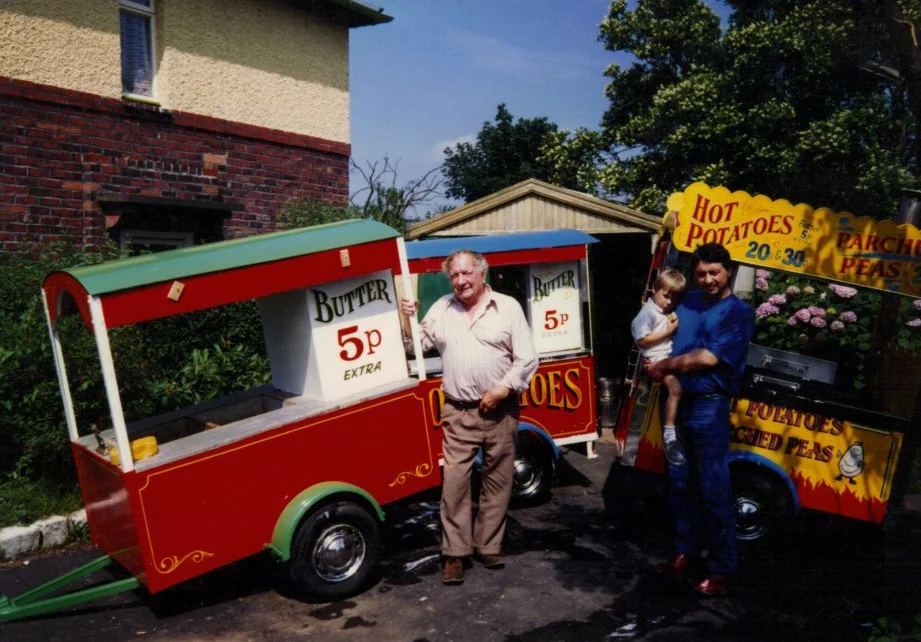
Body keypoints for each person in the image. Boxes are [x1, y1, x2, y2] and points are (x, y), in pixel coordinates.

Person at [400, 249, 538, 585]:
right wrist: (407, 318)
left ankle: (487, 545)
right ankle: (455, 554)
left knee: (498, 479)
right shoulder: (441, 309)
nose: (460, 281)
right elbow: (412, 346)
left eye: (466, 273)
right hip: (458, 410)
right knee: (455, 484)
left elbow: (528, 358)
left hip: (500, 409)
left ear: (481, 273)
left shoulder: (508, 308)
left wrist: (502, 390)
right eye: (454, 275)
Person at [647, 243, 754, 596]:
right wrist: (651, 355)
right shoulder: (687, 301)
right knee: (679, 481)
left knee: (713, 487)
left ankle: (722, 567)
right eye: (701, 273)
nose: (707, 280)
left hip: (709, 406)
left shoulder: (737, 312)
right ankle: (685, 550)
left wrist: (664, 366)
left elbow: (709, 358)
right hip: (674, 401)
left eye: (715, 273)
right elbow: (659, 332)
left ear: (728, 273)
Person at [630, 268, 688, 466]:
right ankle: (670, 432)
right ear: (655, 289)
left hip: (664, 357)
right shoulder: (647, 313)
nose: (669, 302)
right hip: (657, 360)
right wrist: (668, 331)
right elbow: (643, 340)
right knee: (676, 389)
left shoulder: (662, 311)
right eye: (665, 296)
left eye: (674, 298)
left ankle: (673, 429)